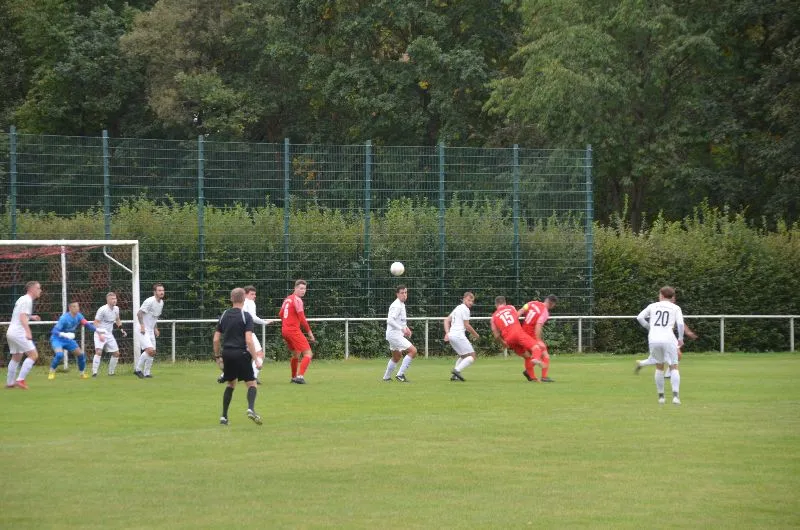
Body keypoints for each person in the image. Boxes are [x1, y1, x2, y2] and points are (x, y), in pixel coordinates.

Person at [213, 287, 262, 426]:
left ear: (231, 299)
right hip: (241, 353)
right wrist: (256, 359)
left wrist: (217, 356)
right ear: (244, 299)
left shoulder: (224, 315)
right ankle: (251, 409)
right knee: (251, 383)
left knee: (231, 383)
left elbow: (216, 339)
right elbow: (249, 340)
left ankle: (224, 417)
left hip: (227, 354)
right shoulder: (246, 316)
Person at [636, 286, 685, 405]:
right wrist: (680, 338)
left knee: (659, 366)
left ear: (662, 295)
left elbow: (639, 317)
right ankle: (675, 397)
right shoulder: (675, 308)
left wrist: (649, 327)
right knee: (674, 366)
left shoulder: (652, 306)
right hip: (668, 338)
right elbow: (680, 324)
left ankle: (661, 397)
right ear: (671, 296)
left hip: (653, 339)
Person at [217, 285, 273, 384]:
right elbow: (253, 317)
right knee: (259, 354)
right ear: (245, 295)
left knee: (239, 355)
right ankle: (253, 376)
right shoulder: (250, 302)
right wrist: (265, 322)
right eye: (252, 294)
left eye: (255, 294)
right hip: (247, 332)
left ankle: (224, 375)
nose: (254, 296)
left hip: (237, 333)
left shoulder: (238, 305)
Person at [48, 301, 106, 380]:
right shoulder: (64, 318)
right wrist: (64, 334)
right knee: (59, 355)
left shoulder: (79, 316)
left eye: (77, 306)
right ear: (70, 308)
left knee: (80, 354)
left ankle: (82, 373)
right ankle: (52, 371)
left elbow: (87, 325)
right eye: (74, 306)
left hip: (68, 340)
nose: (77, 308)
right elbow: (54, 331)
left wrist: (97, 330)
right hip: (57, 339)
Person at [490, 296, 542, 382]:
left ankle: (533, 378)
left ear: (496, 305)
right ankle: (536, 359)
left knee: (527, 357)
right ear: (505, 303)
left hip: (509, 339)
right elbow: (516, 316)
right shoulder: (511, 307)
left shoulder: (493, 317)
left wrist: (503, 343)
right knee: (536, 347)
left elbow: (496, 335)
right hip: (518, 333)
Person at [5, 281, 43, 390]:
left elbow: (19, 313)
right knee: (33, 355)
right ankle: (20, 380)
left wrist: (31, 317)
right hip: (19, 332)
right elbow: (22, 317)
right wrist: (28, 331)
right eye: (38, 288)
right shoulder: (28, 300)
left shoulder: (22, 298)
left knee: (16, 357)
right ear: (32, 289)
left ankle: (10, 383)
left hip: (11, 332)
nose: (40, 291)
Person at [280, 279, 316, 384]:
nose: (303, 291)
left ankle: (293, 377)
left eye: (304, 289)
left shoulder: (287, 299)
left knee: (296, 353)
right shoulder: (297, 300)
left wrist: (287, 324)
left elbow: (281, 314)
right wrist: (309, 333)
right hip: (293, 330)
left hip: (285, 330)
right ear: (295, 288)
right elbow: (302, 318)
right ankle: (300, 377)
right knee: (308, 353)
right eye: (301, 288)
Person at [518, 294, 558, 382]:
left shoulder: (532, 303)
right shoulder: (545, 312)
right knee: (544, 354)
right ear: (552, 304)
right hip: (531, 335)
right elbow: (538, 325)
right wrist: (538, 340)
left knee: (529, 356)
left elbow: (521, 311)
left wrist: (514, 325)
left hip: (522, 333)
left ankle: (530, 374)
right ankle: (543, 377)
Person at [383, 285, 417, 382]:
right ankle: (400, 375)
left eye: (405, 292)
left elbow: (401, 321)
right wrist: (402, 329)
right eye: (402, 293)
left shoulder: (401, 304)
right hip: (394, 335)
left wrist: (406, 328)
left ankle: (386, 377)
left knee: (397, 356)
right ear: (397, 294)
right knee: (413, 351)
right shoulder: (396, 305)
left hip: (393, 335)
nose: (404, 295)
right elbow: (390, 320)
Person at [444, 291, 479, 382]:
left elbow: (446, 320)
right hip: (459, 335)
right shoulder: (465, 309)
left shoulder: (458, 308)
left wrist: (447, 333)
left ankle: (454, 376)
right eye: (468, 300)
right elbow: (467, 325)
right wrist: (476, 334)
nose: (470, 303)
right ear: (464, 299)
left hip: (452, 336)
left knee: (464, 356)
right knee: (472, 356)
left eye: (472, 301)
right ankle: (456, 370)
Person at [91, 291, 127, 377]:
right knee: (99, 352)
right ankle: (94, 373)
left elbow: (117, 319)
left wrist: (122, 329)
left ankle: (111, 373)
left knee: (116, 353)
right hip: (100, 333)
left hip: (109, 334)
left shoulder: (116, 309)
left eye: (115, 298)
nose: (114, 300)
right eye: (112, 299)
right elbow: (95, 323)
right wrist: (100, 334)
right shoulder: (102, 309)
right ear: (107, 300)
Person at [134, 283, 165, 379]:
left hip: (151, 330)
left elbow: (155, 317)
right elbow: (139, 314)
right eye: (159, 290)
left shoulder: (161, 303)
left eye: (162, 290)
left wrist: (155, 328)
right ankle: (137, 370)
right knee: (150, 350)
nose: (162, 292)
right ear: (154, 292)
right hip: (142, 329)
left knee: (153, 352)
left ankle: (147, 373)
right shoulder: (149, 301)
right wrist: (142, 326)